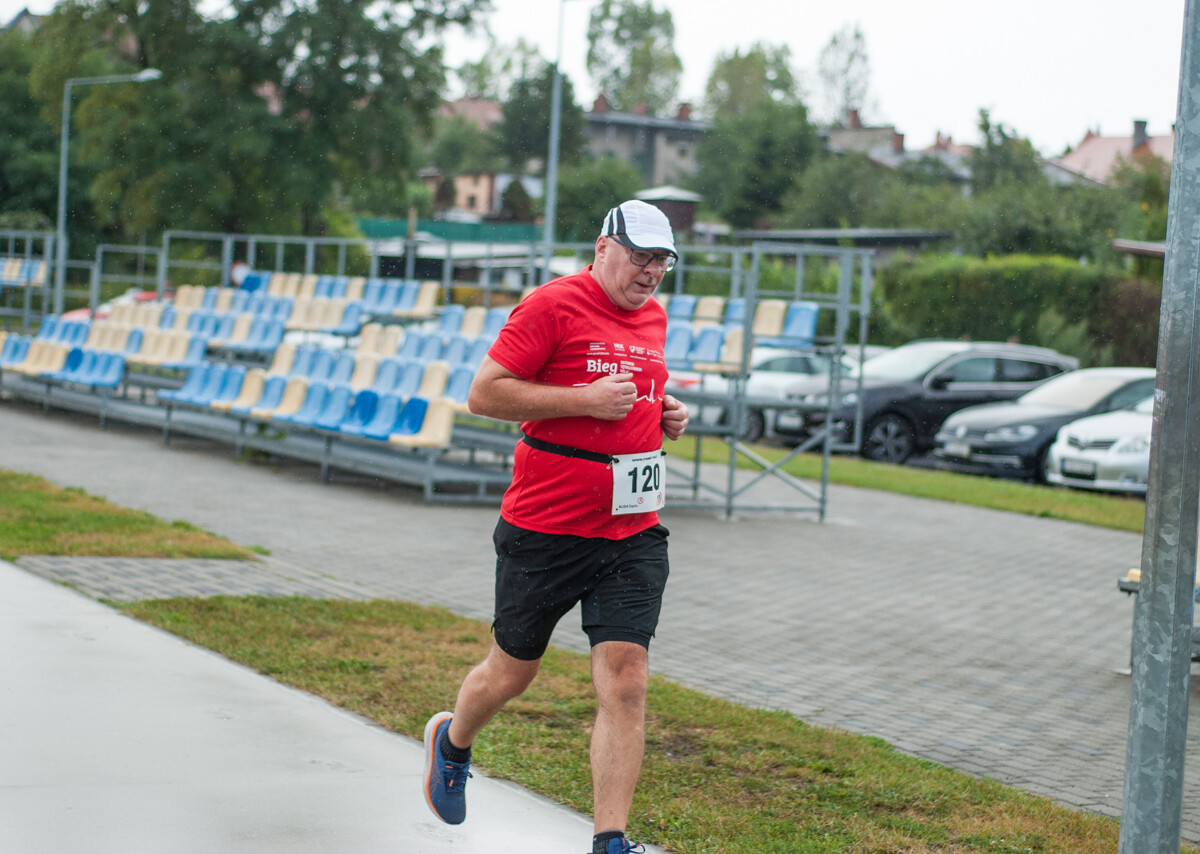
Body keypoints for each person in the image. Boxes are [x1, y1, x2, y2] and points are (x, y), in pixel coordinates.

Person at [422, 199, 689, 854]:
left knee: (627, 679)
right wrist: (585, 402)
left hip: (631, 529)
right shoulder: (552, 306)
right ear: (603, 248)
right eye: (640, 256)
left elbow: (630, 393)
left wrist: (663, 413)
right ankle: (452, 741)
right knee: (513, 672)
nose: (651, 271)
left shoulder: (653, 317)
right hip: (546, 526)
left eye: (661, 261)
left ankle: (610, 841)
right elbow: (485, 393)